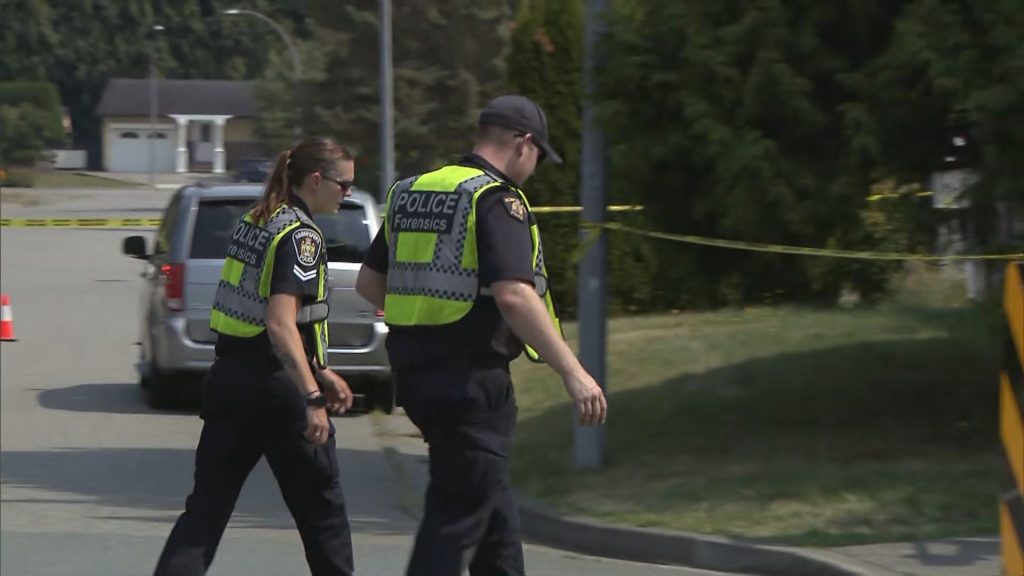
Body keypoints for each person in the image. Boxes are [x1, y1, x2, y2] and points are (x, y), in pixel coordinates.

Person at [356, 94, 608, 576]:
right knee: (453, 524)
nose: (535, 167)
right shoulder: (495, 200)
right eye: (538, 155)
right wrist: (573, 372)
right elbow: (514, 294)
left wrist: (422, 310)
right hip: (471, 385)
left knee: (491, 513)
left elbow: (371, 283)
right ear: (523, 143)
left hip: (415, 380)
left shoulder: (412, 190)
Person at [154, 136, 357, 576]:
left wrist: (321, 370)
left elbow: (259, 309)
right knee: (323, 513)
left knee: (204, 513)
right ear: (317, 180)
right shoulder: (301, 237)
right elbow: (280, 323)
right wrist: (311, 396)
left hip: (230, 382)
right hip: (277, 391)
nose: (348, 194)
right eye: (344, 186)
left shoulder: (258, 218)